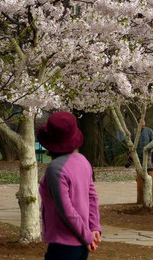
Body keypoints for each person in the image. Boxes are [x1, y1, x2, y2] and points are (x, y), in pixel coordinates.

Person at [37, 111, 102, 260]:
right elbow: (92, 197)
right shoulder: (82, 160)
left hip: (64, 244)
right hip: (80, 243)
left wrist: (88, 235)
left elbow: (66, 211)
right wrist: (93, 228)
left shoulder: (56, 169)